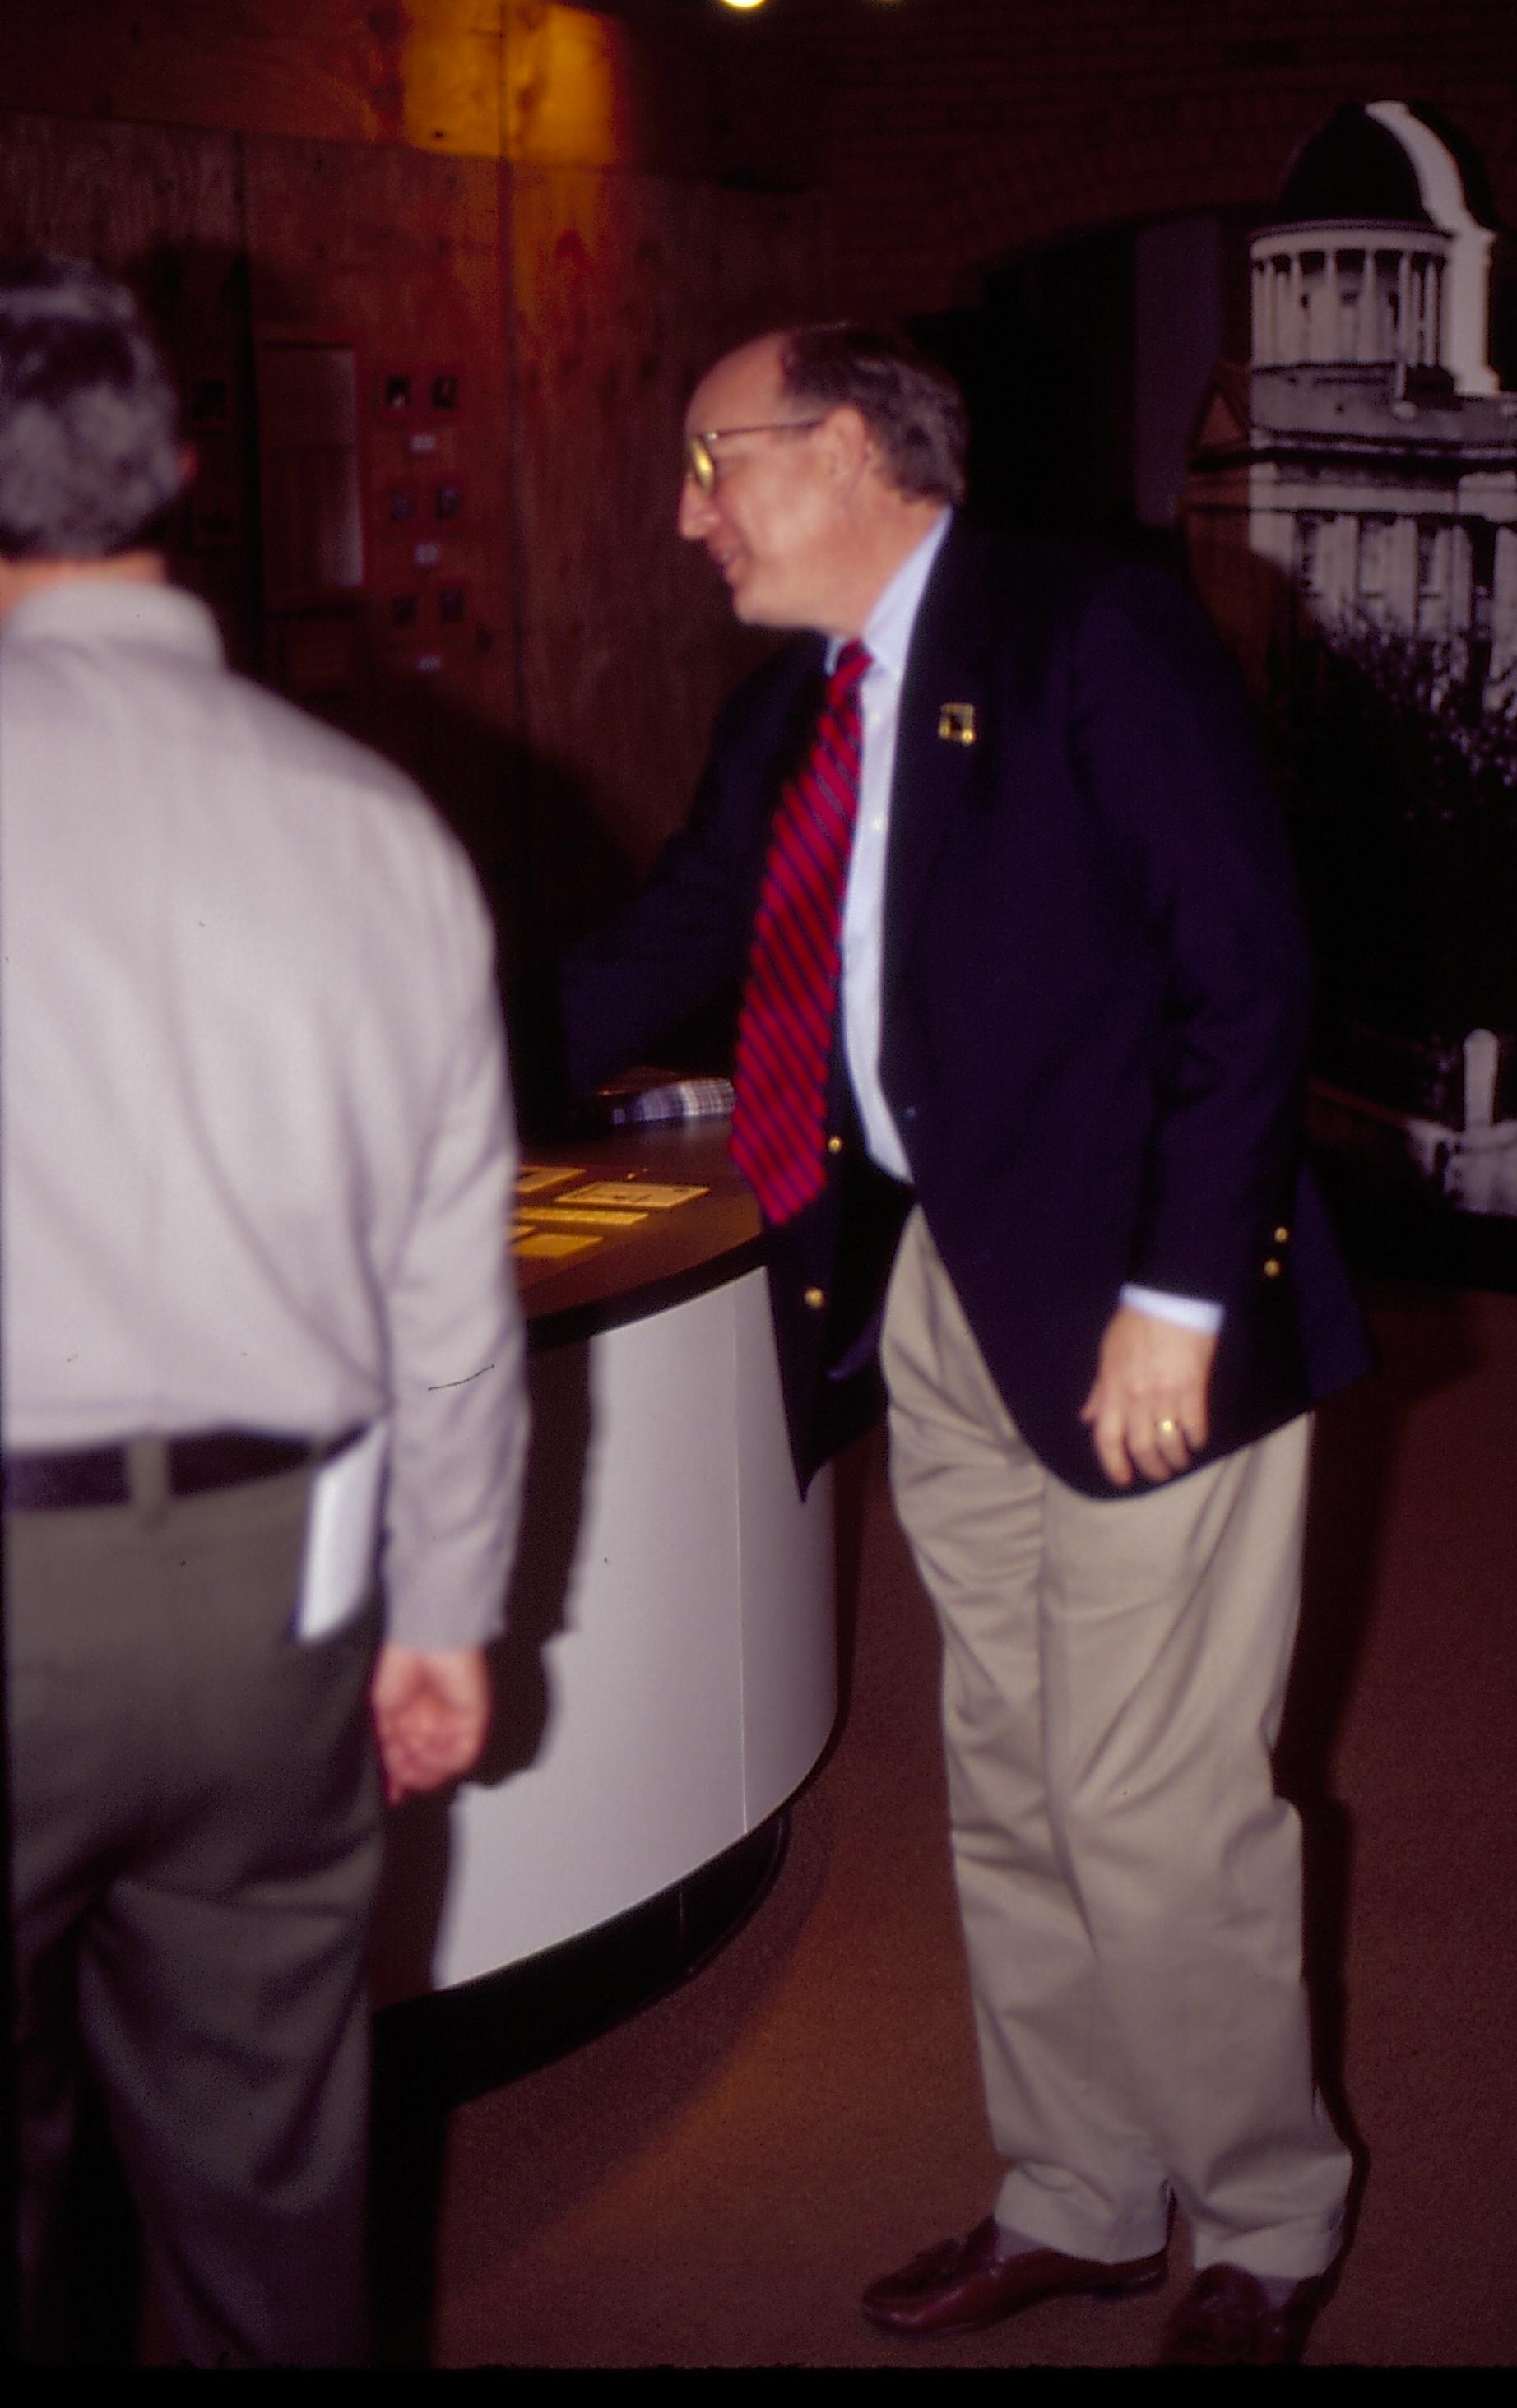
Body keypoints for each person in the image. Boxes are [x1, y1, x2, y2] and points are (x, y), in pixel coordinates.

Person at [560, 319, 1372, 2367]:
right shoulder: (792, 719)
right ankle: (1082, 2191)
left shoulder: (1091, 631)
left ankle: (1268, 2215)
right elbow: (669, 949)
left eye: (706, 457)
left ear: (841, 448)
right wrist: (388, 1076)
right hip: (941, 1286)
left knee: (1145, 1793)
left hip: (1132, 1300)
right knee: (1004, 1767)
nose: (686, 510)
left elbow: (1248, 975)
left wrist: (1182, 1302)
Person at [0, 256, 527, 2366]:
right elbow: (450, 1291)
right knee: (267, 2198)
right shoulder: (373, 820)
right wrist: (447, 1609)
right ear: (186, 474)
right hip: (280, 1605)